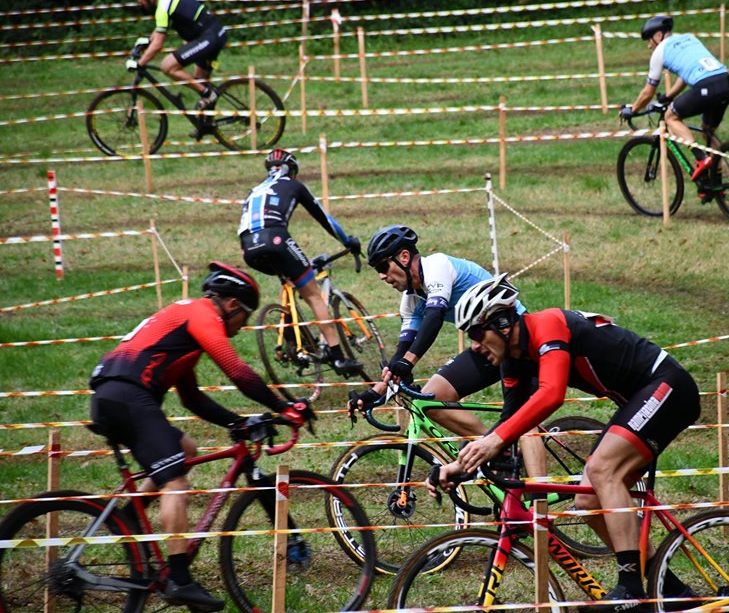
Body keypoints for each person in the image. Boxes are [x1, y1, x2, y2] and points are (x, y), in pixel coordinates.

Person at [431, 273, 701, 612]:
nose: (472, 345)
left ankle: (632, 588)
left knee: (603, 470)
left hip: (668, 385)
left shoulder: (549, 325)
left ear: (502, 323)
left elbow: (551, 394)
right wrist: (459, 465)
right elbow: (510, 419)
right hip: (639, 398)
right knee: (588, 504)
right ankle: (673, 591)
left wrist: (492, 442)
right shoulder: (515, 360)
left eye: (475, 332)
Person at [89, 262, 311, 611]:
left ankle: (129, 519)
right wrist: (284, 406)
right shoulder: (202, 315)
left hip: (115, 394)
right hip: (128, 397)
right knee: (175, 481)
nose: (242, 326)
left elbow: (190, 397)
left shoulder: (182, 326)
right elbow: (237, 372)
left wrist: (235, 422)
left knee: (185, 450)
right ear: (234, 305)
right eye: (246, 317)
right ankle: (179, 578)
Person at [354, 224, 546, 477]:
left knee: (524, 420)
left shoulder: (437, 266)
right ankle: (498, 450)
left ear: (403, 257)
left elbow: (433, 317)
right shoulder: (411, 298)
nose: (381, 276)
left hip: (517, 340)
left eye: (382, 267)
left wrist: (408, 363)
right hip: (488, 346)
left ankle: (539, 508)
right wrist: (377, 390)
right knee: (431, 398)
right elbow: (405, 347)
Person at [238, 149, 363, 375]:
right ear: (291, 170)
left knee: (288, 278)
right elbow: (324, 218)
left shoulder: (253, 191)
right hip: (275, 238)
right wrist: (348, 241)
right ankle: (337, 357)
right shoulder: (294, 185)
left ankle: (291, 335)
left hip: (247, 247)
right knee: (313, 293)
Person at [622, 15, 729, 190]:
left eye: (649, 40)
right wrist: (668, 96)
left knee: (670, 117)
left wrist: (633, 109)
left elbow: (647, 92)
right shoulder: (689, 38)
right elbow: (685, 75)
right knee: (708, 132)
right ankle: (716, 185)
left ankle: (700, 159)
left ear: (658, 36)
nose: (649, 45)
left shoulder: (659, 52)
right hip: (725, 83)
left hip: (706, 86)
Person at [132, 0, 227, 112]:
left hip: (209, 37)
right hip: (214, 34)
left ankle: (208, 94)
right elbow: (159, 31)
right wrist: (146, 42)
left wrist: (140, 63)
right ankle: (207, 126)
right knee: (200, 80)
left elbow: (158, 44)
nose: (140, 2)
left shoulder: (163, 5)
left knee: (167, 66)